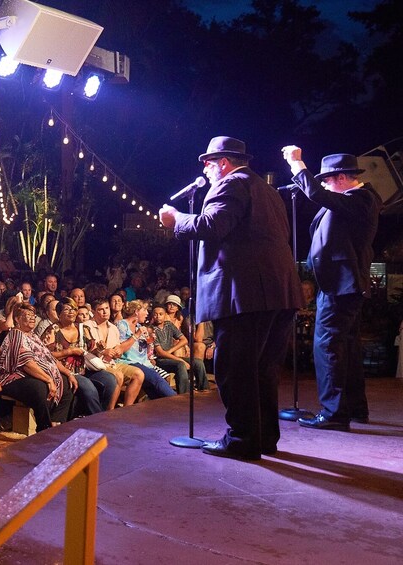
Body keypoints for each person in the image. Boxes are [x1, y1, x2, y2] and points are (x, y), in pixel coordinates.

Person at [160, 136, 302, 460]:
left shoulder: (231, 184)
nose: (207, 170)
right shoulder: (267, 190)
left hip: (245, 293)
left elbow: (212, 225)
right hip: (278, 290)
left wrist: (176, 220)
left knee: (235, 368)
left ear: (223, 162)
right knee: (262, 369)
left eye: (209, 163)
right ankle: (263, 436)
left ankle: (241, 439)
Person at [282, 147, 382, 430]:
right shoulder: (355, 200)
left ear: (340, 178)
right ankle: (353, 408)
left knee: (327, 346)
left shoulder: (361, 198)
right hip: (341, 284)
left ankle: (335, 412)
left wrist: (297, 164)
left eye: (326, 179)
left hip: (341, 285)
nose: (324, 184)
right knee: (345, 346)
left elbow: (317, 194)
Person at [0, 303, 74, 432]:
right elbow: (26, 363)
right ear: (17, 319)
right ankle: (43, 427)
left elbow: (50, 359)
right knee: (39, 387)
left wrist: (68, 373)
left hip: (31, 375)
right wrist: (49, 379)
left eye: (33, 316)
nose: (32, 318)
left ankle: (56, 423)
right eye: (28, 315)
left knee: (67, 382)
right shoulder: (16, 335)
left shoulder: (34, 337)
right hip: (11, 378)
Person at [151, 304, 208, 393]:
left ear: (165, 314)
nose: (158, 316)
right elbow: (160, 353)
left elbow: (184, 340)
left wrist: (170, 350)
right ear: (152, 315)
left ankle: (204, 390)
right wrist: (180, 360)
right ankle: (184, 394)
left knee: (198, 362)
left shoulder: (169, 325)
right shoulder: (151, 329)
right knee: (180, 365)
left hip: (169, 356)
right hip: (159, 360)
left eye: (161, 314)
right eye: (155, 314)